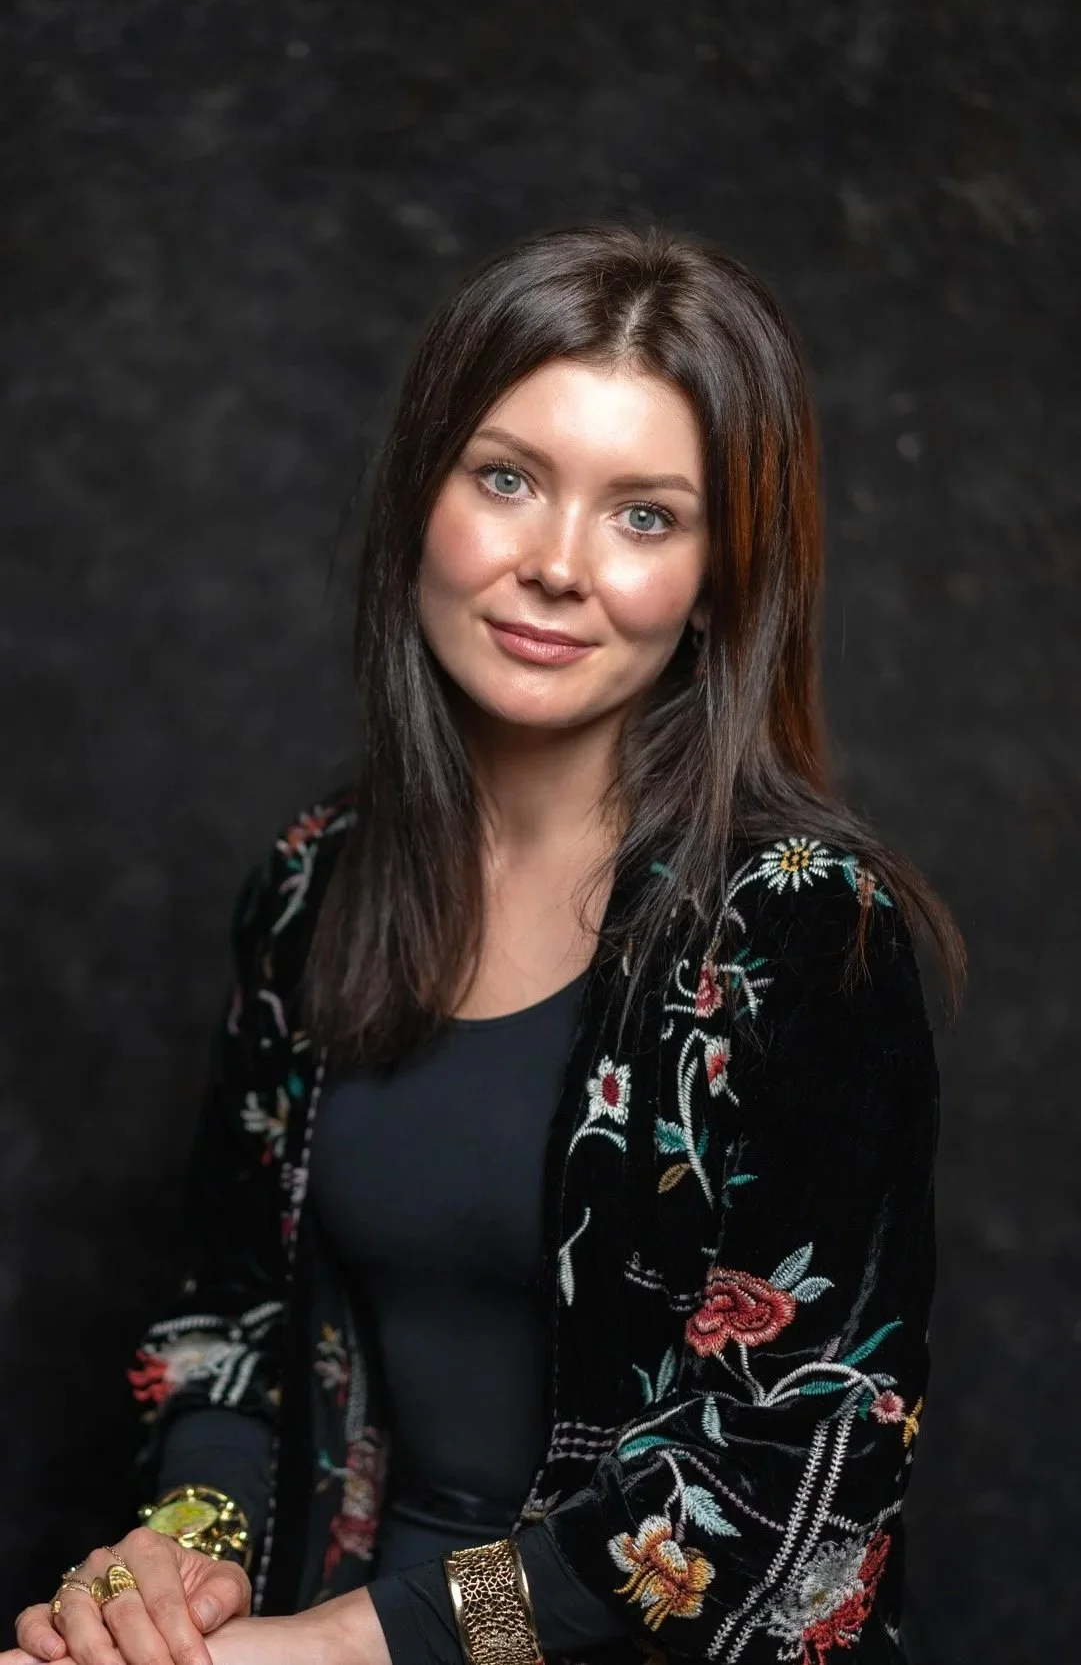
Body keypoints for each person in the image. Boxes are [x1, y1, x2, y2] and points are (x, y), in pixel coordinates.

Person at [9, 222, 963, 1665]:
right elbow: (232, 1313)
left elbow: (776, 1485)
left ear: (719, 576)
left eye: (646, 516)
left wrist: (349, 1648)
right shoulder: (314, 883)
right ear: (423, 493)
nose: (558, 565)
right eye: (508, 478)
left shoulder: (804, 927)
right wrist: (179, 1561)